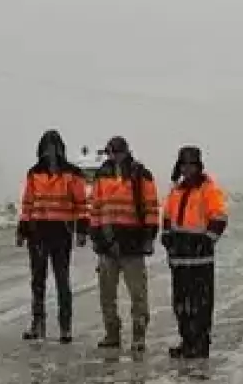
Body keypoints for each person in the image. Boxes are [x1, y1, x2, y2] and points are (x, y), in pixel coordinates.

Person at [16, 129, 88, 344]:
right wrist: (22, 229)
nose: (50, 152)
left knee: (62, 281)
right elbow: (27, 203)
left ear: (60, 149)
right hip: (38, 233)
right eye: (47, 148)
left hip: (61, 233)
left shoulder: (72, 174)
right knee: (37, 281)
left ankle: (65, 326)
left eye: (54, 147)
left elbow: (81, 204)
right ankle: (38, 324)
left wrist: (81, 230)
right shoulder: (34, 173)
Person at [90, 136, 158, 351]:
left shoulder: (140, 174)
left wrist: (149, 237)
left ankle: (139, 336)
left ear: (126, 151)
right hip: (107, 244)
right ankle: (112, 333)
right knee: (106, 295)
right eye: (111, 152)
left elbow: (151, 208)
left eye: (118, 152)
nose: (115, 156)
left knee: (138, 294)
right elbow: (96, 208)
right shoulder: (101, 175)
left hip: (133, 244)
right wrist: (96, 235)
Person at [161, 145, 228, 359]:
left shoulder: (208, 189)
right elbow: (167, 218)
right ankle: (187, 340)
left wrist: (207, 242)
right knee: (181, 304)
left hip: (200, 259)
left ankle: (201, 343)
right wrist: (167, 238)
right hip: (180, 258)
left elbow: (219, 217)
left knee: (201, 304)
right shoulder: (176, 191)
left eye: (191, 165)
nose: (187, 169)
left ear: (198, 166)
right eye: (184, 165)